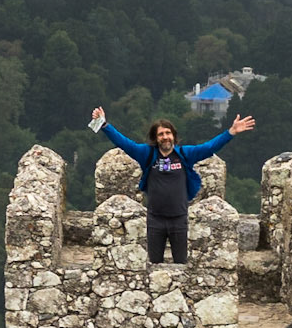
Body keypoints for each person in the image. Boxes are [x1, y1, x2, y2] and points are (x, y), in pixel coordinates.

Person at [92, 106, 256, 265]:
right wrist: (105, 125)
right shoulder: (147, 154)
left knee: (181, 264)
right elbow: (125, 143)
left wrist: (231, 132)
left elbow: (208, 148)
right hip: (155, 219)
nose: (165, 137)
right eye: (161, 134)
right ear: (156, 139)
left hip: (179, 219)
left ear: (174, 136)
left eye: (168, 133)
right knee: (154, 264)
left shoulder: (185, 154)